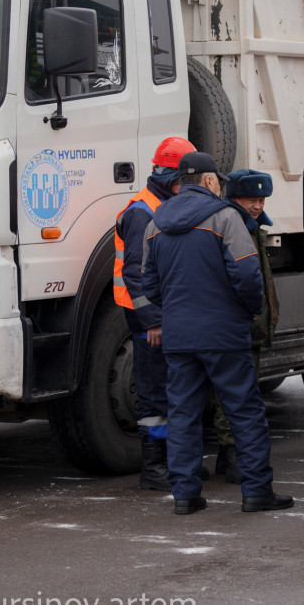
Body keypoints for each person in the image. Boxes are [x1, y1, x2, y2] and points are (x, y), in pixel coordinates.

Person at [142, 151, 292, 515]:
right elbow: (246, 275)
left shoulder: (156, 222)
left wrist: (174, 311)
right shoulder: (226, 218)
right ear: (210, 181)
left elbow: (149, 282)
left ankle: (185, 495)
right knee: (244, 410)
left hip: (179, 337)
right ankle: (256, 492)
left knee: (183, 413)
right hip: (224, 334)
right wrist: (248, 311)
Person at [114, 136, 197, 491]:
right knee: (153, 395)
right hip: (148, 319)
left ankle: (175, 463)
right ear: (169, 175)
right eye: (184, 178)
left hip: (165, 315)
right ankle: (154, 468)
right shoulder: (142, 211)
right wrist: (153, 322)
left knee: (174, 391)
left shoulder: (164, 205)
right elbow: (135, 274)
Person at [209, 168, 280, 483]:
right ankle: (233, 453)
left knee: (239, 391)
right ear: (234, 197)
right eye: (252, 199)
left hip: (246, 327)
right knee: (236, 395)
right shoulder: (234, 226)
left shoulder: (251, 227)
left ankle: (227, 456)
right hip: (240, 327)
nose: (258, 205)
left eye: (262, 199)